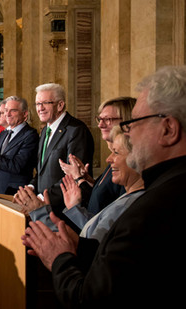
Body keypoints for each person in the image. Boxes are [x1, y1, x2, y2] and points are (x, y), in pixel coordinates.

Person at [21, 66, 186, 308]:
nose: (127, 134)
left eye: (133, 123)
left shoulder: (154, 206)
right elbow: (127, 264)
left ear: (168, 129)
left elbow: (91, 297)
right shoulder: (164, 186)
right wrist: (79, 247)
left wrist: (59, 257)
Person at [18, 126, 144, 242]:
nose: (108, 159)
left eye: (116, 152)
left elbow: (85, 248)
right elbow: (91, 229)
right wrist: (74, 208)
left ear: (139, 158)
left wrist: (40, 213)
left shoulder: (132, 206)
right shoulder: (128, 197)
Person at [27, 83, 94, 229]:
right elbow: (43, 170)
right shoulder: (45, 130)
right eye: (38, 103)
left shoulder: (75, 130)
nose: (40, 108)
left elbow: (73, 176)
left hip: (64, 213)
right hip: (44, 210)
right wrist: (32, 187)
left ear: (60, 105)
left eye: (45, 103)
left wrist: (41, 198)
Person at [59, 97, 135, 215]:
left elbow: (109, 214)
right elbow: (102, 196)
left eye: (108, 119)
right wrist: (86, 179)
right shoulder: (114, 160)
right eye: (99, 119)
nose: (100, 125)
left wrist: (78, 178)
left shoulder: (129, 162)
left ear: (127, 120)